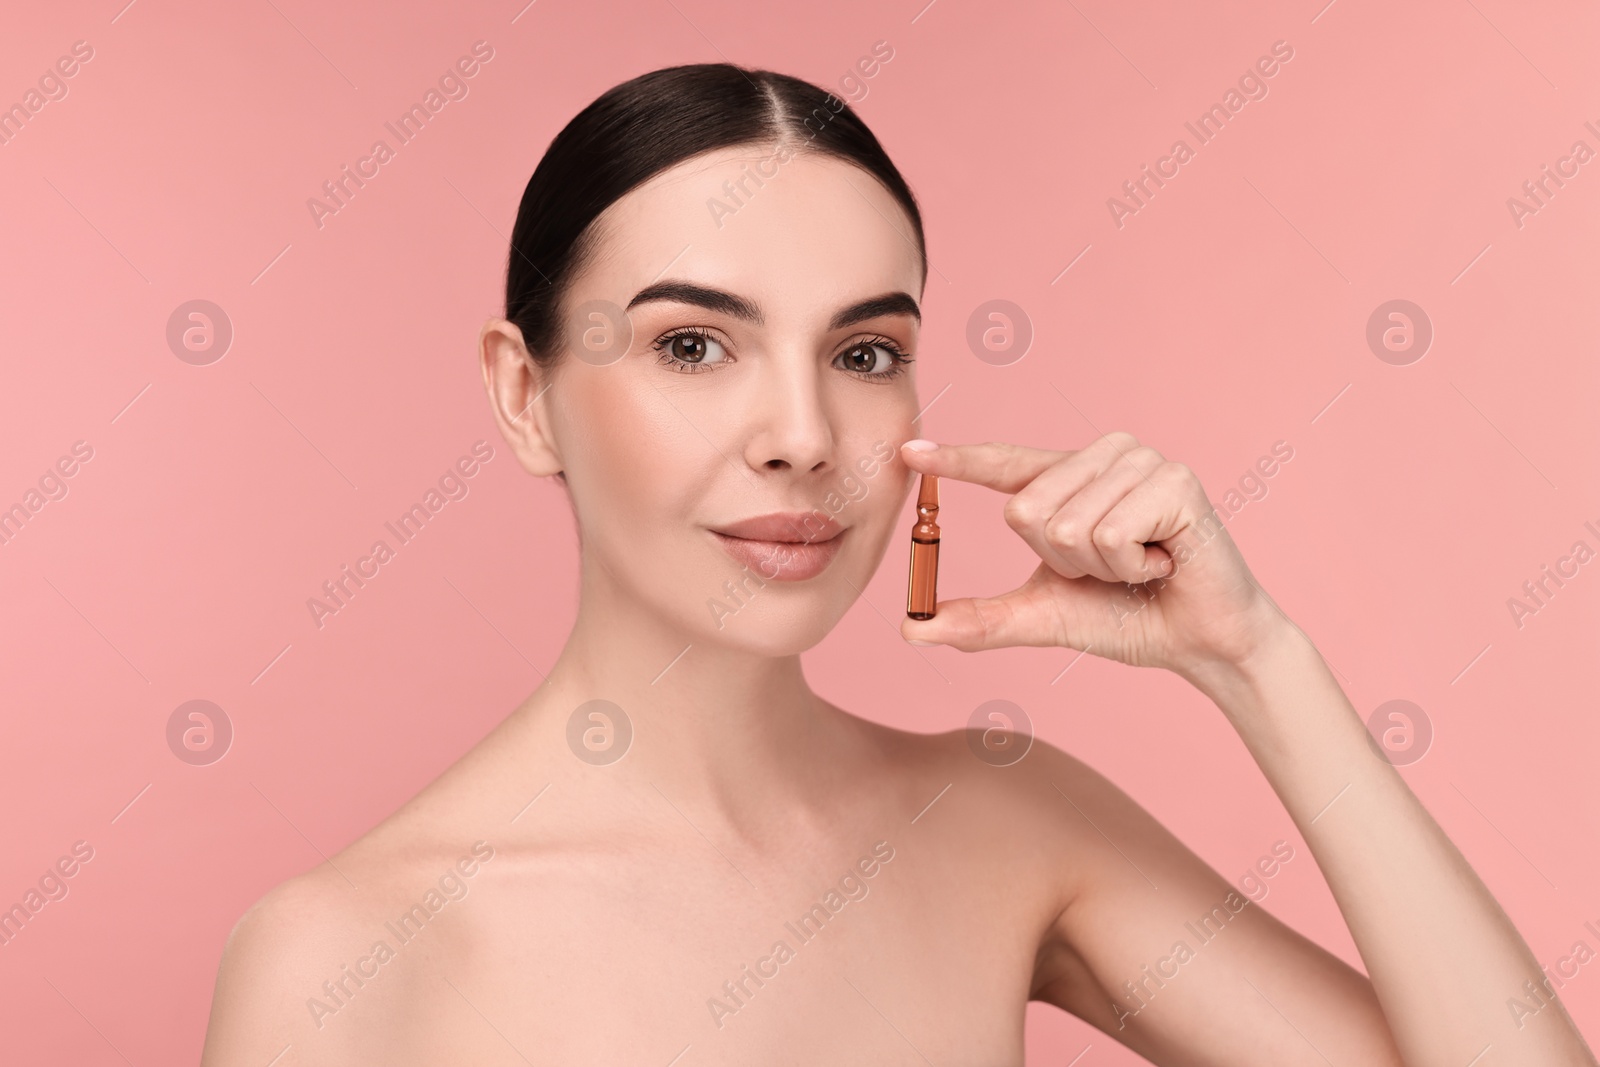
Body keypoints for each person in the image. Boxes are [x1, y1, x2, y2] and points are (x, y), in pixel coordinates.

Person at [201, 63, 1596, 1065]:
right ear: (524, 393)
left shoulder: (1005, 821)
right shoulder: (341, 961)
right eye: (695, 345)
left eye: (865, 355)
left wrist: (1257, 663)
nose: (805, 437)